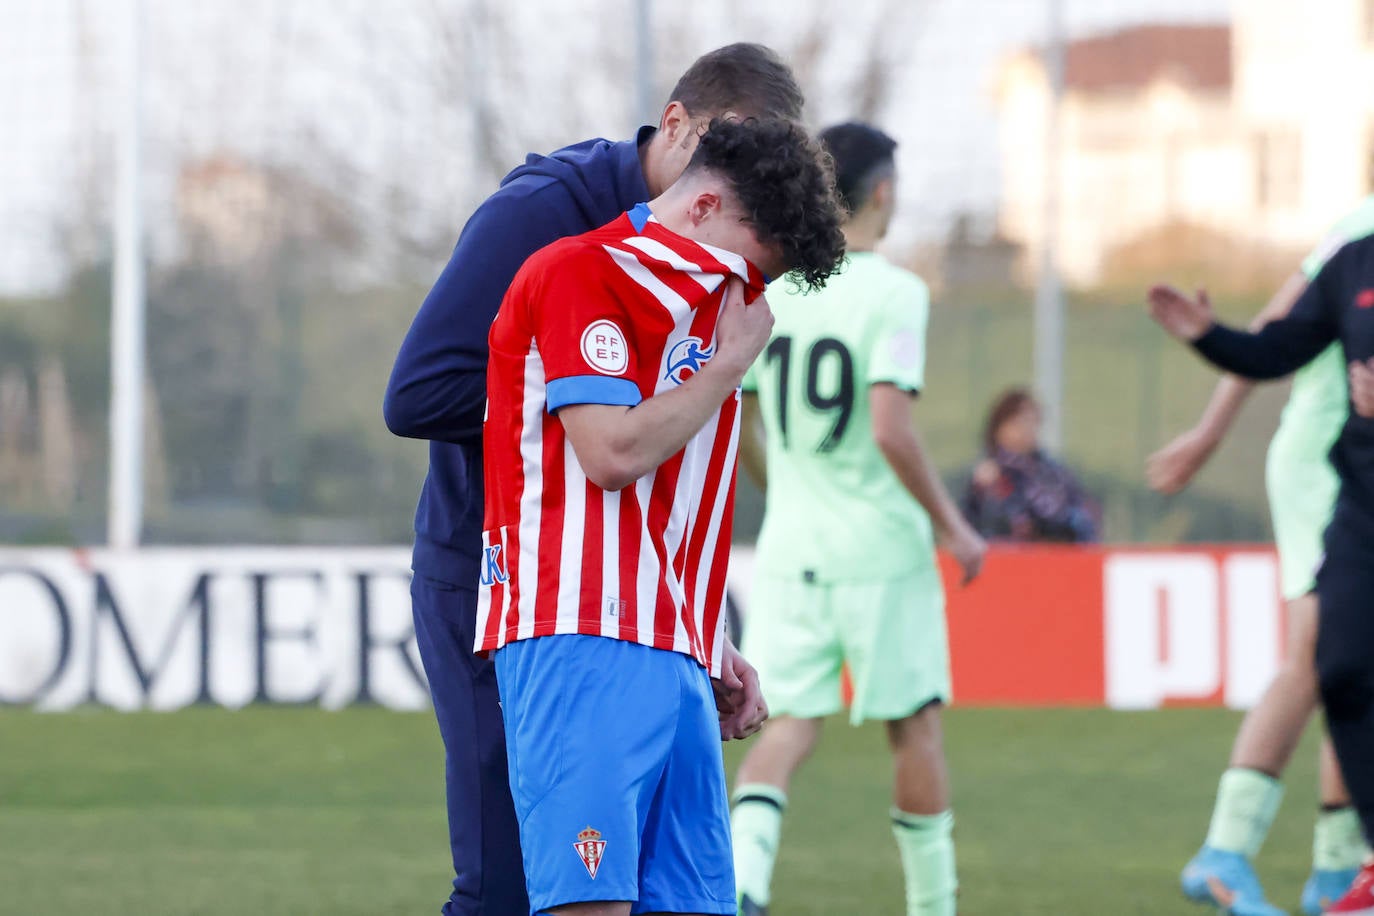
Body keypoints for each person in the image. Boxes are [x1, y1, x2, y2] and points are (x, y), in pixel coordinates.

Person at [383, 44, 806, 915]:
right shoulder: (549, 218)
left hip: (634, 604)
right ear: (676, 125)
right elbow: (417, 391)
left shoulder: (709, 259)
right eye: (721, 158)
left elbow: (667, 462)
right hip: (496, 573)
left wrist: (698, 628)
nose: (732, 187)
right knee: (507, 882)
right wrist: (578, 398)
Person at [480, 117, 845, 916]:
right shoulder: (580, 273)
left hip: (668, 644)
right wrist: (726, 367)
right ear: (705, 205)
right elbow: (609, 454)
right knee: (591, 906)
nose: (750, 291)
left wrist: (702, 633)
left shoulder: (716, 302)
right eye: (747, 266)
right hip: (574, 630)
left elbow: (663, 498)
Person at [728, 122, 986, 916]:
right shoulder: (895, 291)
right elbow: (888, 426)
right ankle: (934, 905)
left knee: (786, 725)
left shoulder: (777, 288)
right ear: (882, 193)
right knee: (913, 729)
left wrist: (789, 484)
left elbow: (738, 421)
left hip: (793, 546)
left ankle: (742, 884)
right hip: (881, 550)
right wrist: (954, 524)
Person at [1147, 199, 1374, 916]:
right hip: (1330, 466)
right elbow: (1275, 329)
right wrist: (1210, 430)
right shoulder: (1360, 233)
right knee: (1321, 653)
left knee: (1353, 658)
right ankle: (1226, 851)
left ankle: (1339, 872)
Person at [959, 387, 1099, 543]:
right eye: (1019, 423)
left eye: (1033, 422)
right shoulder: (987, 476)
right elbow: (970, 526)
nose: (1027, 430)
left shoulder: (1053, 473)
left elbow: (1079, 517)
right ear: (999, 427)